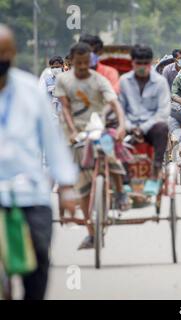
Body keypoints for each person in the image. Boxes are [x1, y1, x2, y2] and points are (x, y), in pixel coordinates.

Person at [0, 25, 77, 300]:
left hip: (29, 191)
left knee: (39, 254)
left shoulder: (29, 91)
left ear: (12, 54)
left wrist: (66, 185)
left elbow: (52, 143)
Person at [55, 42, 129, 250]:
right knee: (81, 187)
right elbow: (66, 108)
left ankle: (120, 190)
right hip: (73, 133)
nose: (81, 67)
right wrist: (73, 131)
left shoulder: (99, 80)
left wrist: (122, 125)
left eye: (85, 63)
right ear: (71, 62)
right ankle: (90, 232)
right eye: (77, 63)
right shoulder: (63, 80)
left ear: (91, 62)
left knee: (110, 148)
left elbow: (115, 104)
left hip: (96, 127)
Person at [119, 44, 171, 177]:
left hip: (151, 126)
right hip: (128, 126)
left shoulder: (160, 82)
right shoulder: (124, 81)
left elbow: (163, 112)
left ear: (151, 63)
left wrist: (143, 128)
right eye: (138, 63)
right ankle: (122, 176)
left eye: (145, 63)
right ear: (133, 63)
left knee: (162, 128)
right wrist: (129, 127)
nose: (142, 66)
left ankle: (156, 170)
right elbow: (120, 109)